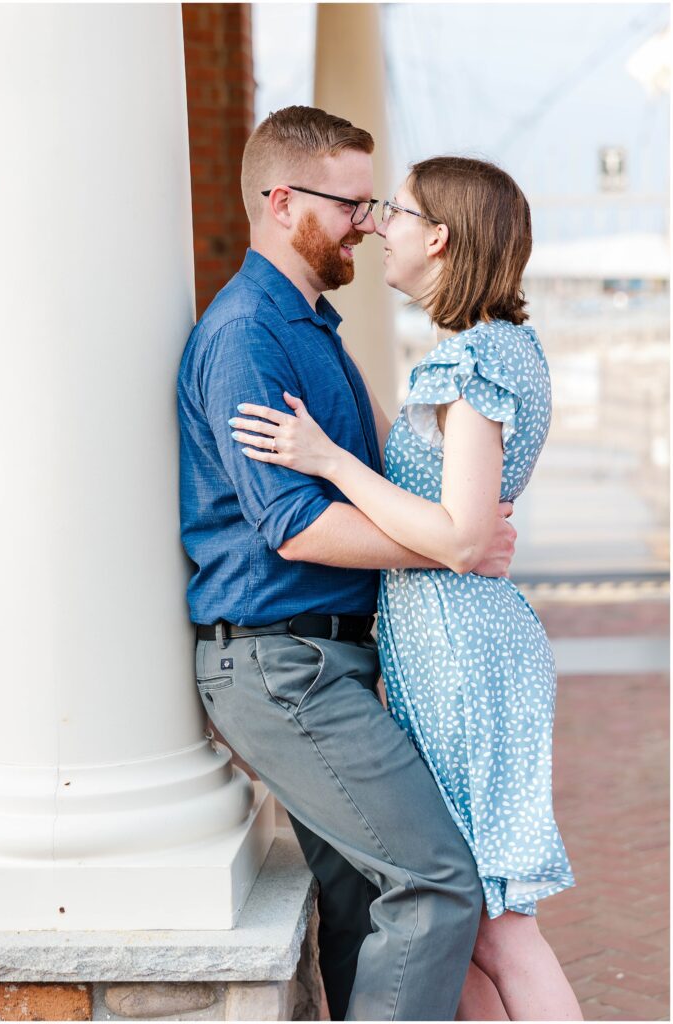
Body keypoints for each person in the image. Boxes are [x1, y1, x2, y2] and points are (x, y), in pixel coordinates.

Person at [178, 107, 517, 1021]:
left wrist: (461, 527)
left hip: (320, 659)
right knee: (438, 882)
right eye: (353, 205)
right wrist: (455, 546)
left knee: (366, 904)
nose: (369, 225)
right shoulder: (250, 333)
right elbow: (293, 527)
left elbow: (371, 480)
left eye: (378, 207)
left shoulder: (310, 324)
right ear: (282, 202)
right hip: (279, 665)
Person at [230, 156, 583, 1021]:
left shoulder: (475, 362)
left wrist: (326, 460)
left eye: (398, 210)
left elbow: (460, 533)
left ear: (441, 237)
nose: (381, 223)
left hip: (463, 658)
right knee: (463, 930)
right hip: (453, 649)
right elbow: (441, 503)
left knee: (498, 928)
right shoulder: (484, 350)